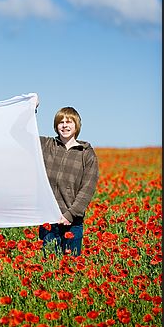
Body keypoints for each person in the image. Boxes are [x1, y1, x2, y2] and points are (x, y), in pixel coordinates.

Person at [37, 102, 99, 256]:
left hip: (73, 222)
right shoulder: (46, 145)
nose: (64, 126)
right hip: (49, 219)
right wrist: (32, 109)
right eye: (60, 122)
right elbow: (24, 134)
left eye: (68, 122)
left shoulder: (86, 153)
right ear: (56, 126)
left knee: (71, 270)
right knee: (50, 269)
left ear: (76, 125)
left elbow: (88, 188)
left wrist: (69, 215)